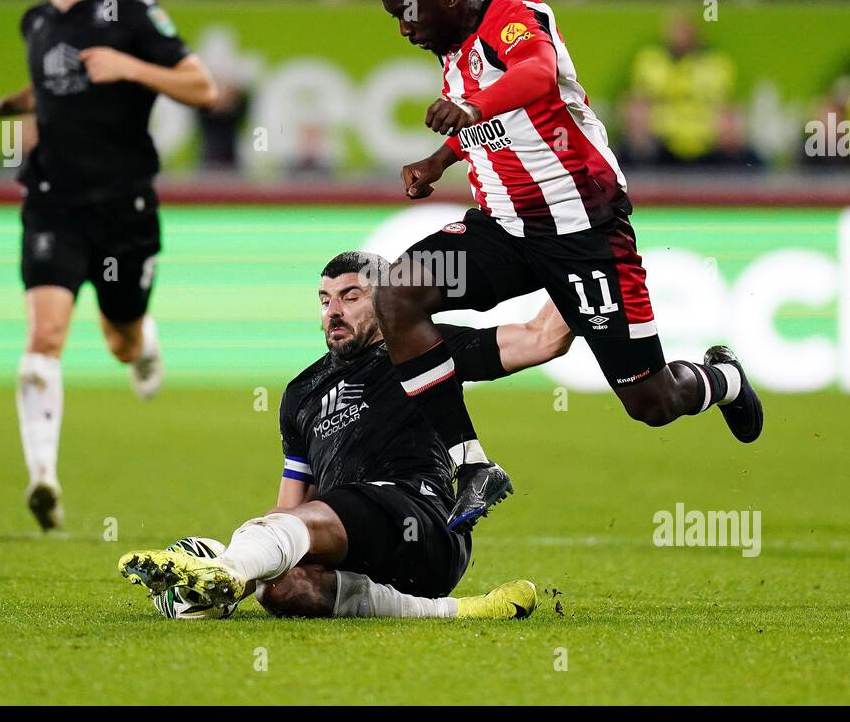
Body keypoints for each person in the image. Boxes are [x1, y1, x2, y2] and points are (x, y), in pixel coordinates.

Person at [373, 0, 763, 532]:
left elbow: (535, 73)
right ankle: (470, 463)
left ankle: (722, 378)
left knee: (650, 402)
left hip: (585, 232)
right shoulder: (450, 45)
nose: (404, 31)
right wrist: (439, 161)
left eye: (409, 15)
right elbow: (503, 127)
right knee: (398, 295)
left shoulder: (516, 18)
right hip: (503, 230)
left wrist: (470, 107)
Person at [117, 251, 571, 619]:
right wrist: (264, 550)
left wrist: (585, 262)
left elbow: (542, 337)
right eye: (324, 299)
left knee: (301, 530)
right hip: (351, 544)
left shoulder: (423, 348)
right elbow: (289, 510)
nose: (334, 310)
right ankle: (462, 611)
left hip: (425, 524)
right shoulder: (301, 393)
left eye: (351, 296)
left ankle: (225, 570)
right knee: (281, 591)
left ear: (387, 301)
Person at [0, 0, 218, 530]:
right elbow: (52, 86)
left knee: (118, 338)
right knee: (41, 342)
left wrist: (130, 66)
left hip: (125, 206)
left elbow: (203, 87)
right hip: (53, 201)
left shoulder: (130, 11)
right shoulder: (35, 22)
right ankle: (43, 479)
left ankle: (142, 343)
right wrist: (2, 107)